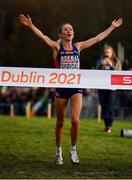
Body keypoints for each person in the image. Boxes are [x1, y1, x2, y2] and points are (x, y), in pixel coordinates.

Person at [19, 14, 123, 164]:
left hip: (75, 87)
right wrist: (30, 26)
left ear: (73, 34)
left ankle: (73, 149)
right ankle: (58, 152)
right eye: (66, 30)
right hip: (61, 88)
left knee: (75, 120)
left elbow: (97, 38)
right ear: (61, 34)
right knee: (60, 122)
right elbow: (43, 37)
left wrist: (112, 27)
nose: (69, 31)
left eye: (71, 29)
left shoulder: (78, 47)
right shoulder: (57, 47)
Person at [97, 45, 122, 133]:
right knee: (103, 105)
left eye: (108, 52)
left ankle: (110, 126)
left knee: (110, 105)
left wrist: (112, 65)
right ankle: (106, 125)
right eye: (105, 52)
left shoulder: (116, 61)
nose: (107, 54)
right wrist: (101, 65)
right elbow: (95, 72)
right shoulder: (100, 61)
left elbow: (120, 73)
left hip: (112, 88)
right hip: (102, 87)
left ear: (112, 53)